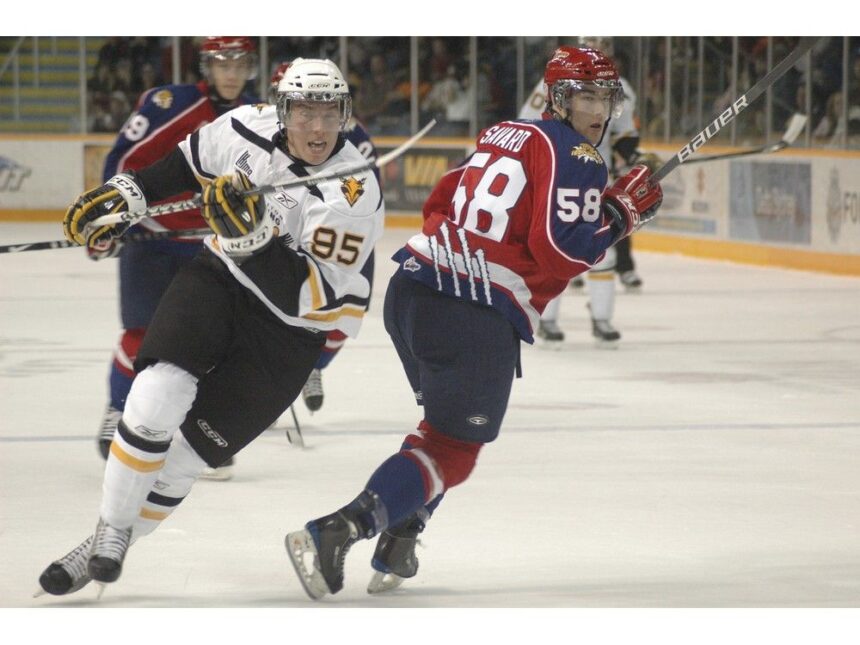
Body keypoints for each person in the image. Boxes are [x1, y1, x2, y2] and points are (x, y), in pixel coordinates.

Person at [284, 46, 663, 599]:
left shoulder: (505, 133)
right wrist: (621, 215)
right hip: (470, 314)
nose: (597, 110)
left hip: (413, 289)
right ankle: (338, 530)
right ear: (559, 98)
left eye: (605, 96)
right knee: (452, 449)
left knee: (439, 430)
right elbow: (562, 251)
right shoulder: (579, 154)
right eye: (585, 95)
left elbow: (444, 197)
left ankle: (401, 537)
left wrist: (596, 209)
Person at [37, 58, 384, 597]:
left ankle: (112, 539)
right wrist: (126, 194)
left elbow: (312, 296)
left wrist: (255, 240)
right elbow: (183, 165)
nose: (317, 128)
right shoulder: (246, 124)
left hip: (289, 332)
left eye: (329, 113)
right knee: (156, 393)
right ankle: (109, 529)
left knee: (188, 459)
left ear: (345, 114)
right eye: (305, 112)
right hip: (219, 283)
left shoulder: (354, 192)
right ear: (282, 109)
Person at [91, 37, 259, 481]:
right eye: (222, 63)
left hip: (211, 247)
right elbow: (124, 160)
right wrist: (110, 217)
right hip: (153, 241)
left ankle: (196, 436)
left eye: (239, 63)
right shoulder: (171, 104)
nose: (230, 72)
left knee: (208, 346)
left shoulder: (257, 117)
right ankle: (117, 411)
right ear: (206, 66)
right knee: (142, 336)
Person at [268, 62, 380, 415]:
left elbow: (361, 195)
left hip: (345, 231)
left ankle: (312, 367)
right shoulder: (267, 131)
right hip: (286, 230)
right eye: (303, 107)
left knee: (344, 316)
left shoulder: (353, 136)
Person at [519, 37, 644, 348]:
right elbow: (532, 124)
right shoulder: (555, 84)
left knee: (602, 248)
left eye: (605, 46)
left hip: (593, 174)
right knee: (557, 242)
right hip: (558, 171)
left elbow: (625, 136)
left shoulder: (622, 89)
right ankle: (546, 317)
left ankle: (601, 318)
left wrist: (633, 159)